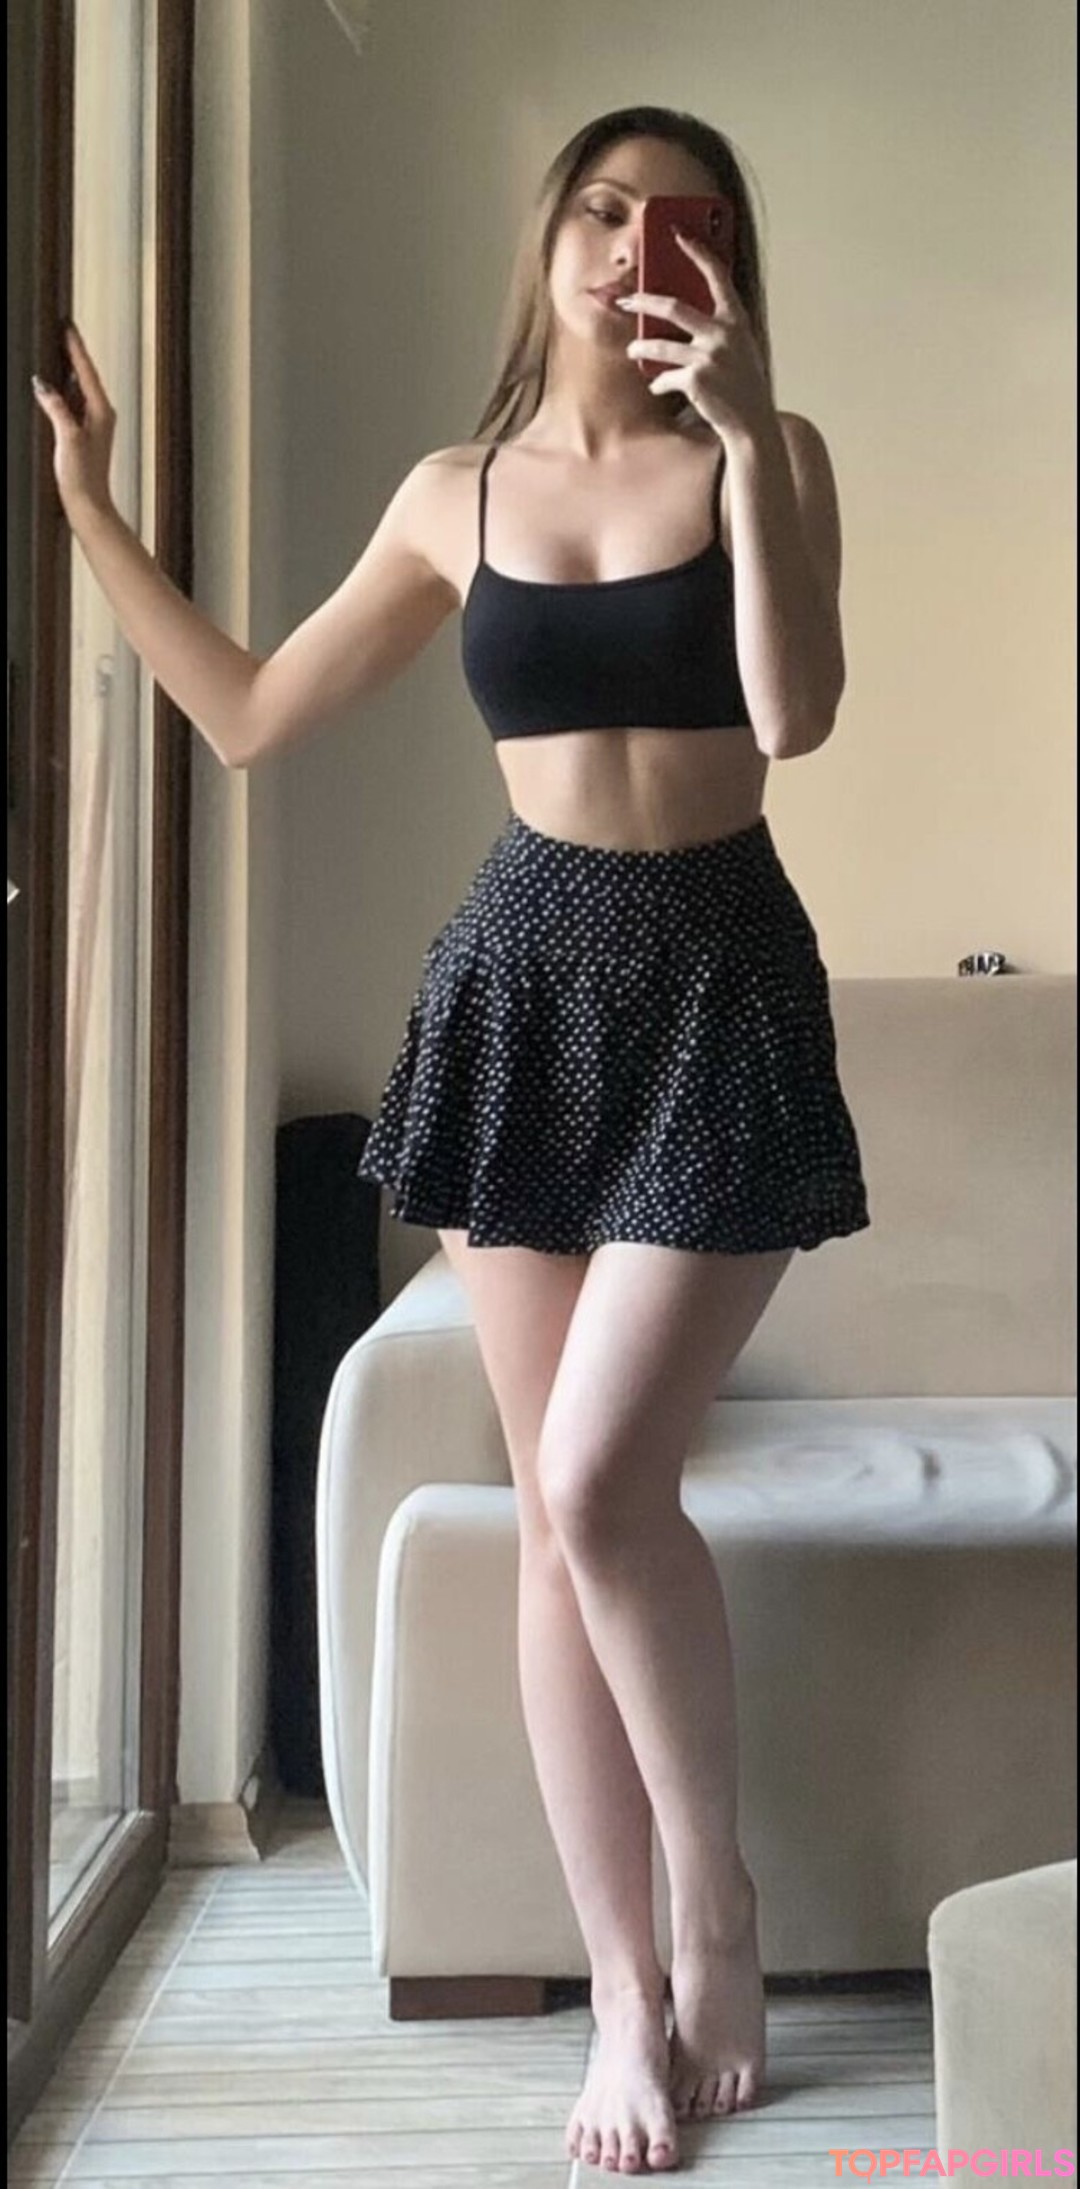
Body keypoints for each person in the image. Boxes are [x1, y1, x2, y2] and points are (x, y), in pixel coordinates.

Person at [34, 101, 870, 2179]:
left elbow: (795, 716)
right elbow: (248, 713)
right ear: (548, 238)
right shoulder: (454, 494)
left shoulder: (771, 455)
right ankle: (623, 1986)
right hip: (520, 981)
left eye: (675, 221)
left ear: (725, 262)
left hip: (717, 984)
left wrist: (747, 436)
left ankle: (718, 1904)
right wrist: (89, 506)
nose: (629, 247)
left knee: (594, 1480)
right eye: (599, 209)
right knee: (557, 1515)